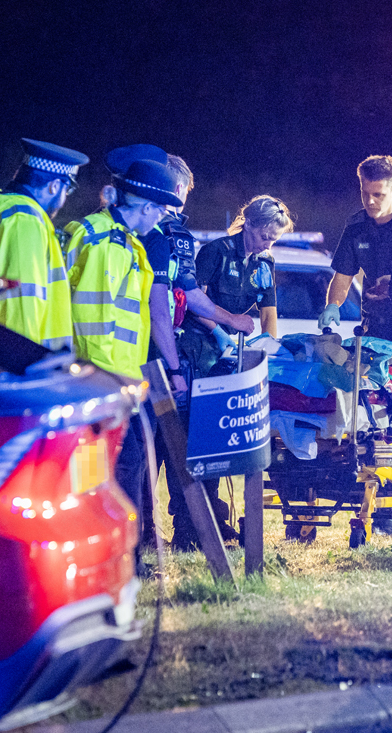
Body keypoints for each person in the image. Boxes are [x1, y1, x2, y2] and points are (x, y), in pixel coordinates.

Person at [64, 157, 183, 557]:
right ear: (146, 206)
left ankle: (124, 559)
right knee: (113, 470)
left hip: (120, 382)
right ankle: (117, 559)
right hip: (93, 380)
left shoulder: (129, 245)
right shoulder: (94, 237)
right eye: (162, 211)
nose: (162, 220)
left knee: (128, 468)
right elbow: (76, 312)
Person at [146, 155, 257, 552]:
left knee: (145, 448)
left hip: (126, 353)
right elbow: (173, 302)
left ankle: (148, 532)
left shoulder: (131, 229)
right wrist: (175, 365)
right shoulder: (172, 234)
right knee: (173, 444)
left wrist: (230, 322)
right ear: (179, 189)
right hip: (159, 357)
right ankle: (185, 532)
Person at [0, 138, 88, 349]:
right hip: (10, 356)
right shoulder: (24, 218)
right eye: (67, 191)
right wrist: (24, 360)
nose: (65, 198)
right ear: (55, 186)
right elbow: (22, 300)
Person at [318, 155, 392, 342]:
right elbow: (343, 276)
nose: (370, 201)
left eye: (378, 195)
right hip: (373, 327)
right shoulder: (356, 227)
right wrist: (332, 305)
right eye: (365, 193)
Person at [190, 195, 292, 350]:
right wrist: (217, 329)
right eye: (264, 238)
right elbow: (194, 298)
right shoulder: (217, 251)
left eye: (273, 240)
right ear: (249, 224)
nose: (268, 246)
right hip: (197, 336)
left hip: (224, 341)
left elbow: (268, 311)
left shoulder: (264, 262)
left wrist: (269, 349)